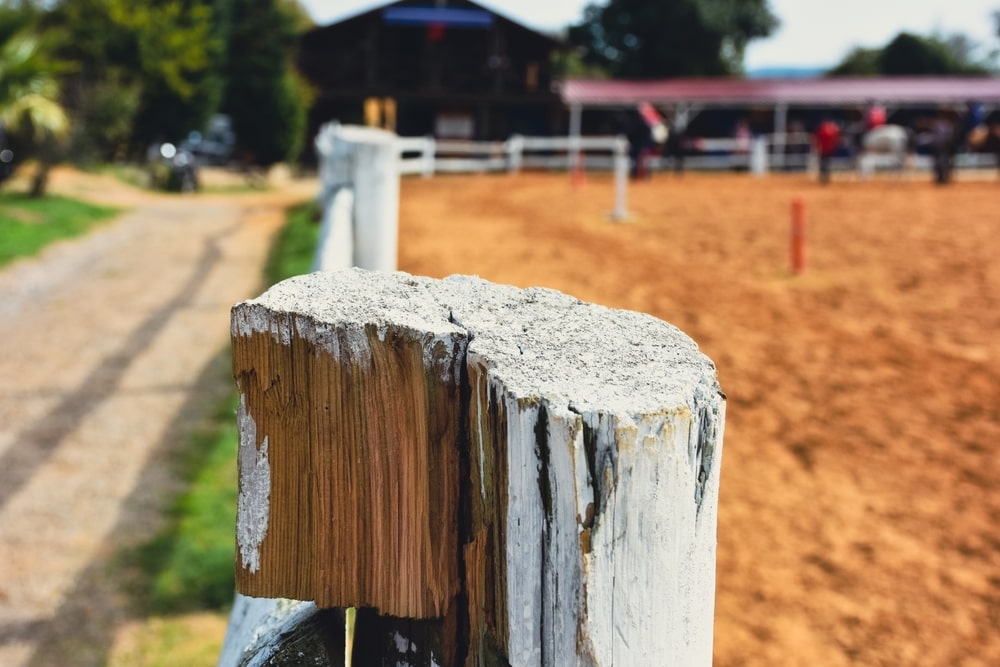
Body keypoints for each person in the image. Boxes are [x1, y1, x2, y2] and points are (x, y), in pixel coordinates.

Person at [814, 116, 841, 184]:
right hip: (828, 149)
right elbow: (836, 138)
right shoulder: (832, 129)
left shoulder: (822, 129)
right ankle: (825, 177)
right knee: (826, 163)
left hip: (823, 149)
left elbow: (817, 138)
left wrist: (817, 147)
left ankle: (823, 177)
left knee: (823, 164)